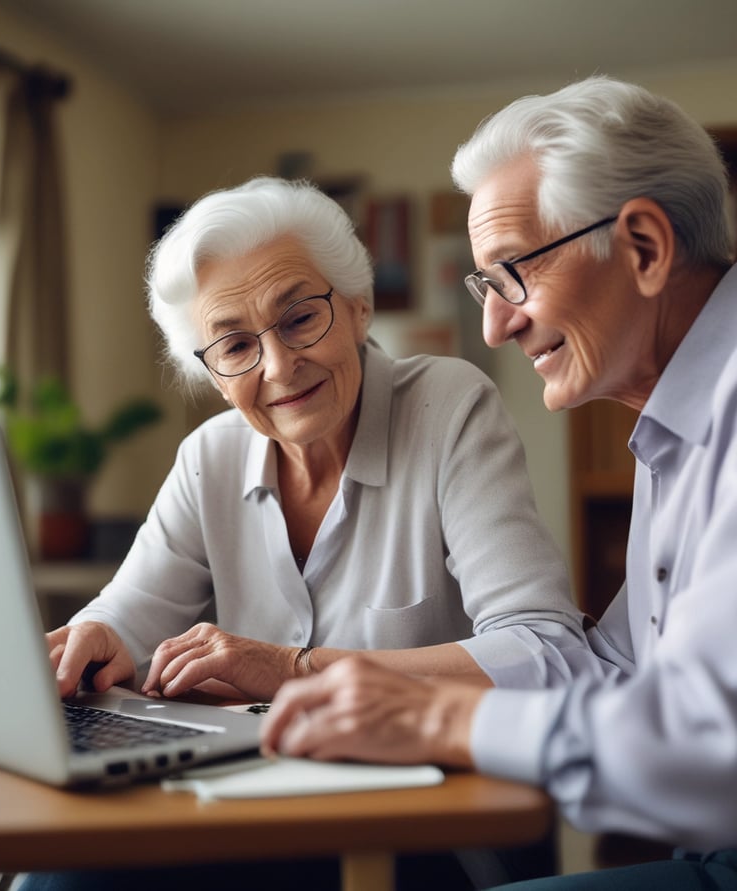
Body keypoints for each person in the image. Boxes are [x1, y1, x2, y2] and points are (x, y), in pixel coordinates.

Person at [21, 176, 593, 891]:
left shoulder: (448, 408)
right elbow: (128, 613)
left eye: (299, 319)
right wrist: (95, 637)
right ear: (214, 374)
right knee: (68, 875)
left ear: (358, 307)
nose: (279, 366)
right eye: (235, 345)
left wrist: (294, 668)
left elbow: (547, 652)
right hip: (258, 810)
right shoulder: (208, 457)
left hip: (431, 820)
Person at [262, 76, 737, 891]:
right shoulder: (677, 426)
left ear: (644, 248)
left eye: (514, 271)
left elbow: (706, 745)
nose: (495, 324)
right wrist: (307, 672)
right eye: (486, 285)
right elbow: (609, 667)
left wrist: (436, 717)